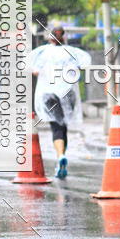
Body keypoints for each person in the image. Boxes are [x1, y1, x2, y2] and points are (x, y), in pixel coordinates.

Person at [29, 27, 91, 179]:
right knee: (63, 126)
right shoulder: (73, 52)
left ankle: (60, 156)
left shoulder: (42, 52)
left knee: (56, 126)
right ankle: (61, 158)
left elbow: (32, 68)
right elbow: (84, 64)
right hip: (68, 94)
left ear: (50, 38)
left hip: (49, 95)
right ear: (64, 36)